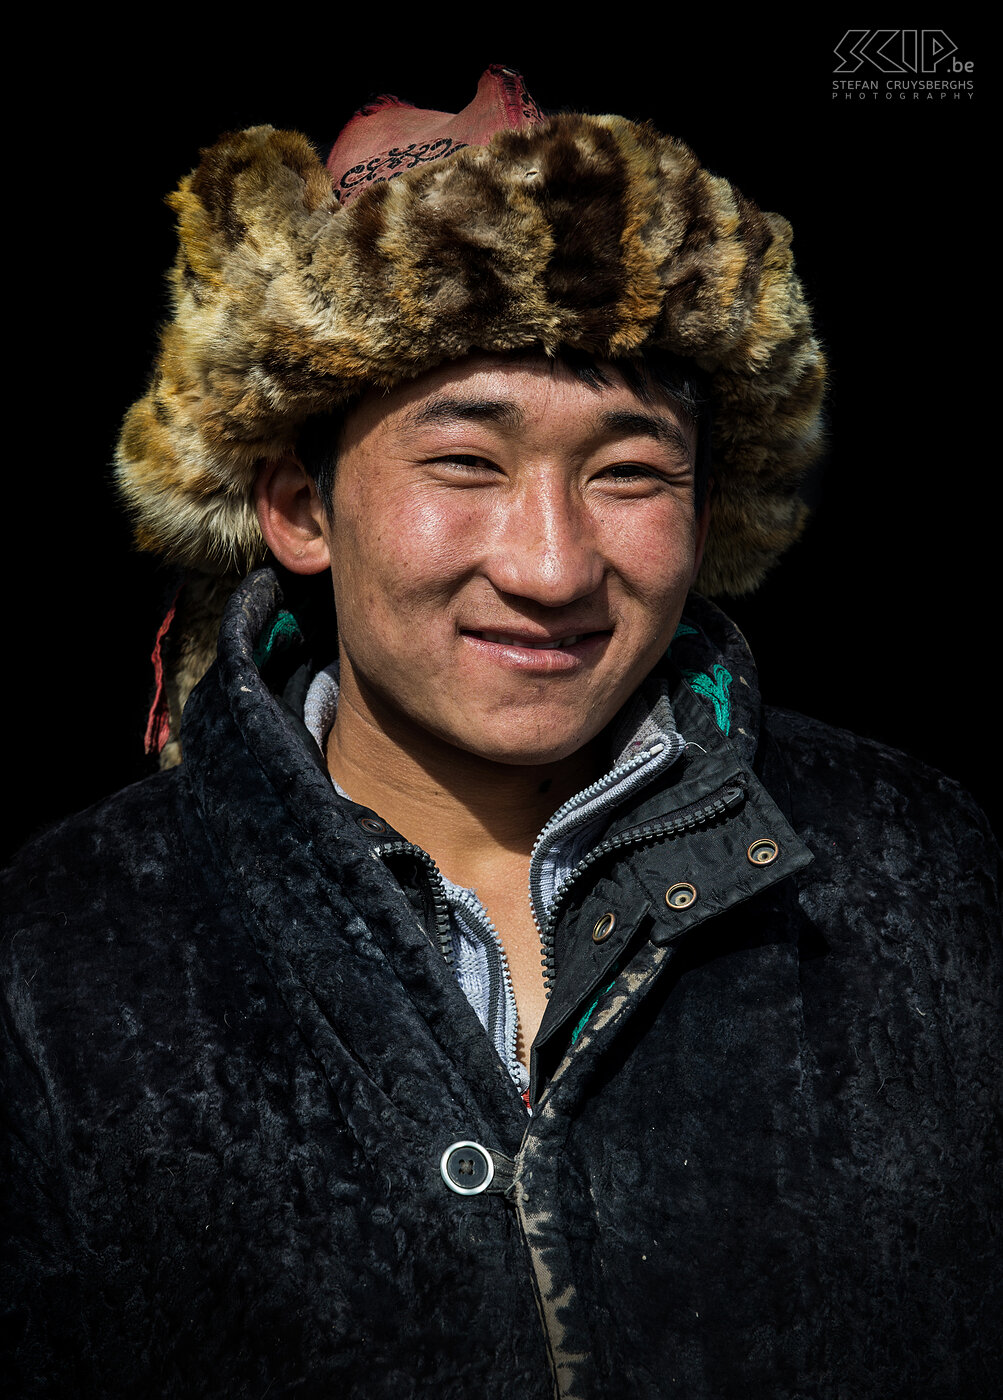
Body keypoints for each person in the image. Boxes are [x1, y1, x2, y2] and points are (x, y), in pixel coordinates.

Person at [2, 66, 999, 1400]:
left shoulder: (918, 873)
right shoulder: (56, 955)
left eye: (630, 470)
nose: (550, 565)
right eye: (466, 463)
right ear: (300, 507)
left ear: (708, 510)